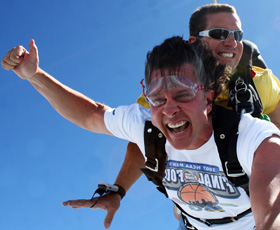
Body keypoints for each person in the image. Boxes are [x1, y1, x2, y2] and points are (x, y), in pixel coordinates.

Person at [2, 36, 280, 229]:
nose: (169, 109)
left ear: (208, 98)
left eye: (182, 93)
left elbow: (271, 214)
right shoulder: (146, 124)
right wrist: (34, 75)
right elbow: (90, 114)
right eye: (157, 98)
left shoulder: (252, 138)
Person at [90, 3, 280, 227]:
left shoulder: (258, 82)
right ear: (194, 41)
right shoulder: (164, 90)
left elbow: (277, 124)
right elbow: (144, 141)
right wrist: (118, 190)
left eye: (237, 35)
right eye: (219, 34)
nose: (232, 42)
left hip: (252, 210)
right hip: (196, 216)